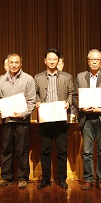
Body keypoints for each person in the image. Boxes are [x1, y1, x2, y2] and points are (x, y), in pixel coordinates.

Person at [72, 49, 101, 191]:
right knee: (87, 152)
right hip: (86, 118)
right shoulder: (80, 77)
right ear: (88, 61)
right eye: (91, 59)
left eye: (97, 59)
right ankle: (88, 179)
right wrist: (81, 107)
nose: (94, 62)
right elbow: (74, 96)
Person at [34, 48, 75, 189]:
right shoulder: (38, 77)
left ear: (58, 61)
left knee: (61, 150)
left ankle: (61, 179)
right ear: (45, 61)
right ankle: (45, 179)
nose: (52, 61)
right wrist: (38, 101)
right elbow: (35, 93)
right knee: (45, 150)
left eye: (55, 59)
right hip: (45, 119)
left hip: (61, 119)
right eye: (49, 59)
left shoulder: (67, 77)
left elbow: (72, 93)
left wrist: (68, 102)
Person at [0, 53, 36, 189]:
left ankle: (23, 178)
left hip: (22, 121)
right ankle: (6, 177)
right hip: (6, 121)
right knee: (6, 149)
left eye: (16, 62)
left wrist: (23, 114)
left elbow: (32, 101)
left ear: (21, 64)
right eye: (11, 62)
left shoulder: (28, 79)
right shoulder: (1, 80)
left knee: (22, 150)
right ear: (7, 64)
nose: (14, 65)